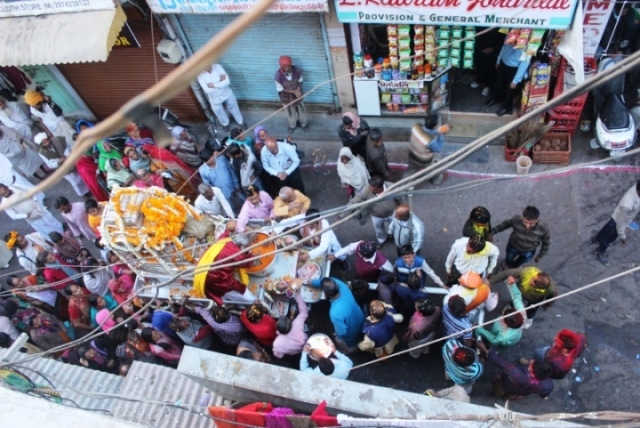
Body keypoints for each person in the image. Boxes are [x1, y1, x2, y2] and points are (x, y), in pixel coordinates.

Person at [193, 233, 257, 305]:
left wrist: (249, 235)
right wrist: (253, 255)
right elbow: (247, 263)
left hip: (205, 271)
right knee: (240, 290)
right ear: (242, 245)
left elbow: (225, 233)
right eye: (248, 246)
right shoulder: (237, 254)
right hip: (216, 280)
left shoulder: (226, 239)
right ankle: (253, 301)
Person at [479, 341, 553, 400]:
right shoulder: (548, 385)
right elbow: (545, 393)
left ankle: (497, 393)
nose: (531, 361)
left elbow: (497, 361)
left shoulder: (516, 372)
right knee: (512, 394)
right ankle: (512, 397)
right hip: (522, 391)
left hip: (506, 384)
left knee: (498, 389)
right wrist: (544, 397)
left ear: (531, 370)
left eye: (532, 364)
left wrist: (484, 349)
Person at [343, 176, 403, 249]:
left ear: (379, 188)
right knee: (379, 230)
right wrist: (342, 215)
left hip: (393, 214)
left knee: (398, 227)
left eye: (372, 188)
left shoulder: (393, 188)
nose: (369, 189)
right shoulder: (366, 190)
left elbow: (401, 200)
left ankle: (398, 238)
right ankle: (382, 241)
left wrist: (402, 212)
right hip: (376, 216)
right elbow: (353, 202)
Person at [309, 277, 364, 353]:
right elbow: (329, 281)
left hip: (352, 330)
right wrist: (312, 282)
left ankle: (349, 350)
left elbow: (342, 332)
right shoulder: (341, 285)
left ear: (325, 293)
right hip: (360, 316)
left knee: (338, 339)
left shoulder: (335, 313)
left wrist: (337, 336)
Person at [491, 266, 557, 329]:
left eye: (535, 283)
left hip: (535, 298)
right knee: (514, 300)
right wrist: (490, 281)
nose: (530, 282)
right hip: (521, 291)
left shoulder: (551, 290)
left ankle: (529, 318)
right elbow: (507, 273)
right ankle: (511, 307)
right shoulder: (529, 271)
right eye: (533, 279)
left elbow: (551, 298)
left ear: (540, 287)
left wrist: (547, 305)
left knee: (532, 308)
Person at [592, 180, 640, 266]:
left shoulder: (636, 189)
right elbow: (620, 223)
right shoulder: (627, 205)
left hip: (616, 217)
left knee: (606, 228)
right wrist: (622, 236)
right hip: (618, 222)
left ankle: (597, 239)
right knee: (609, 238)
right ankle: (600, 251)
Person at [486, 42, 532, 116]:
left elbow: (525, 63)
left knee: (511, 89)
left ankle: (506, 106)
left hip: (515, 68)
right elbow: (504, 47)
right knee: (499, 83)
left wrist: (516, 80)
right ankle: (496, 97)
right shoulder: (512, 33)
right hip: (503, 63)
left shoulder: (530, 43)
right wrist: (498, 60)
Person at [476, 280, 526, 348]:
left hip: (502, 340)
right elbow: (517, 298)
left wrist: (480, 330)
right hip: (516, 334)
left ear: (506, 323)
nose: (502, 314)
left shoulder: (503, 338)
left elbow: (494, 340)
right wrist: (512, 284)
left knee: (494, 345)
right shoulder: (521, 314)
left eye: (503, 316)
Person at [521, 329, 587, 379]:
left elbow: (550, 371)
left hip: (550, 367)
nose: (554, 338)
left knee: (539, 356)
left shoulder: (557, 362)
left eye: (557, 343)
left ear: (565, 349)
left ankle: (532, 366)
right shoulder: (581, 339)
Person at [197, 63, 246, 132]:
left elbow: (227, 81)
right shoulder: (200, 75)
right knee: (218, 112)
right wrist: (221, 81)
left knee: (234, 107)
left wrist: (214, 85)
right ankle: (225, 124)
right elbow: (207, 90)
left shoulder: (217, 67)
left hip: (226, 93)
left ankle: (241, 122)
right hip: (214, 98)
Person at [408, 114, 447, 185]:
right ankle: (437, 179)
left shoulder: (416, 126)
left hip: (412, 155)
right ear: (435, 126)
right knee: (437, 160)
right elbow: (439, 149)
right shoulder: (430, 140)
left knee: (410, 170)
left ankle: (407, 184)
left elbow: (427, 131)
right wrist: (441, 134)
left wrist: (436, 132)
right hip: (423, 160)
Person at [275, 55, 308, 134]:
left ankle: (304, 124)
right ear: (281, 67)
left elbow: (300, 81)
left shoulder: (297, 71)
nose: (286, 69)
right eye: (284, 67)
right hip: (286, 98)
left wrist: (298, 89)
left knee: (301, 110)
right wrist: (293, 92)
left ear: (291, 65)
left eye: (288, 67)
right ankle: (292, 125)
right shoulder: (277, 76)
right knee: (290, 112)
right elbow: (281, 89)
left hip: (298, 95)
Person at [470, 28, 506, 97]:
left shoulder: (500, 23)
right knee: (479, 66)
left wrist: (494, 48)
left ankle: (488, 86)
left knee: (491, 69)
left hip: (493, 51)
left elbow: (503, 38)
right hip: (479, 47)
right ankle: (480, 80)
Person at [272, 290, 308, 359]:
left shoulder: (277, 344)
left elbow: (279, 355)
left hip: (294, 353)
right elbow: (304, 311)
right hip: (305, 343)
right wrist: (297, 295)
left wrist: (281, 313)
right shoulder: (297, 323)